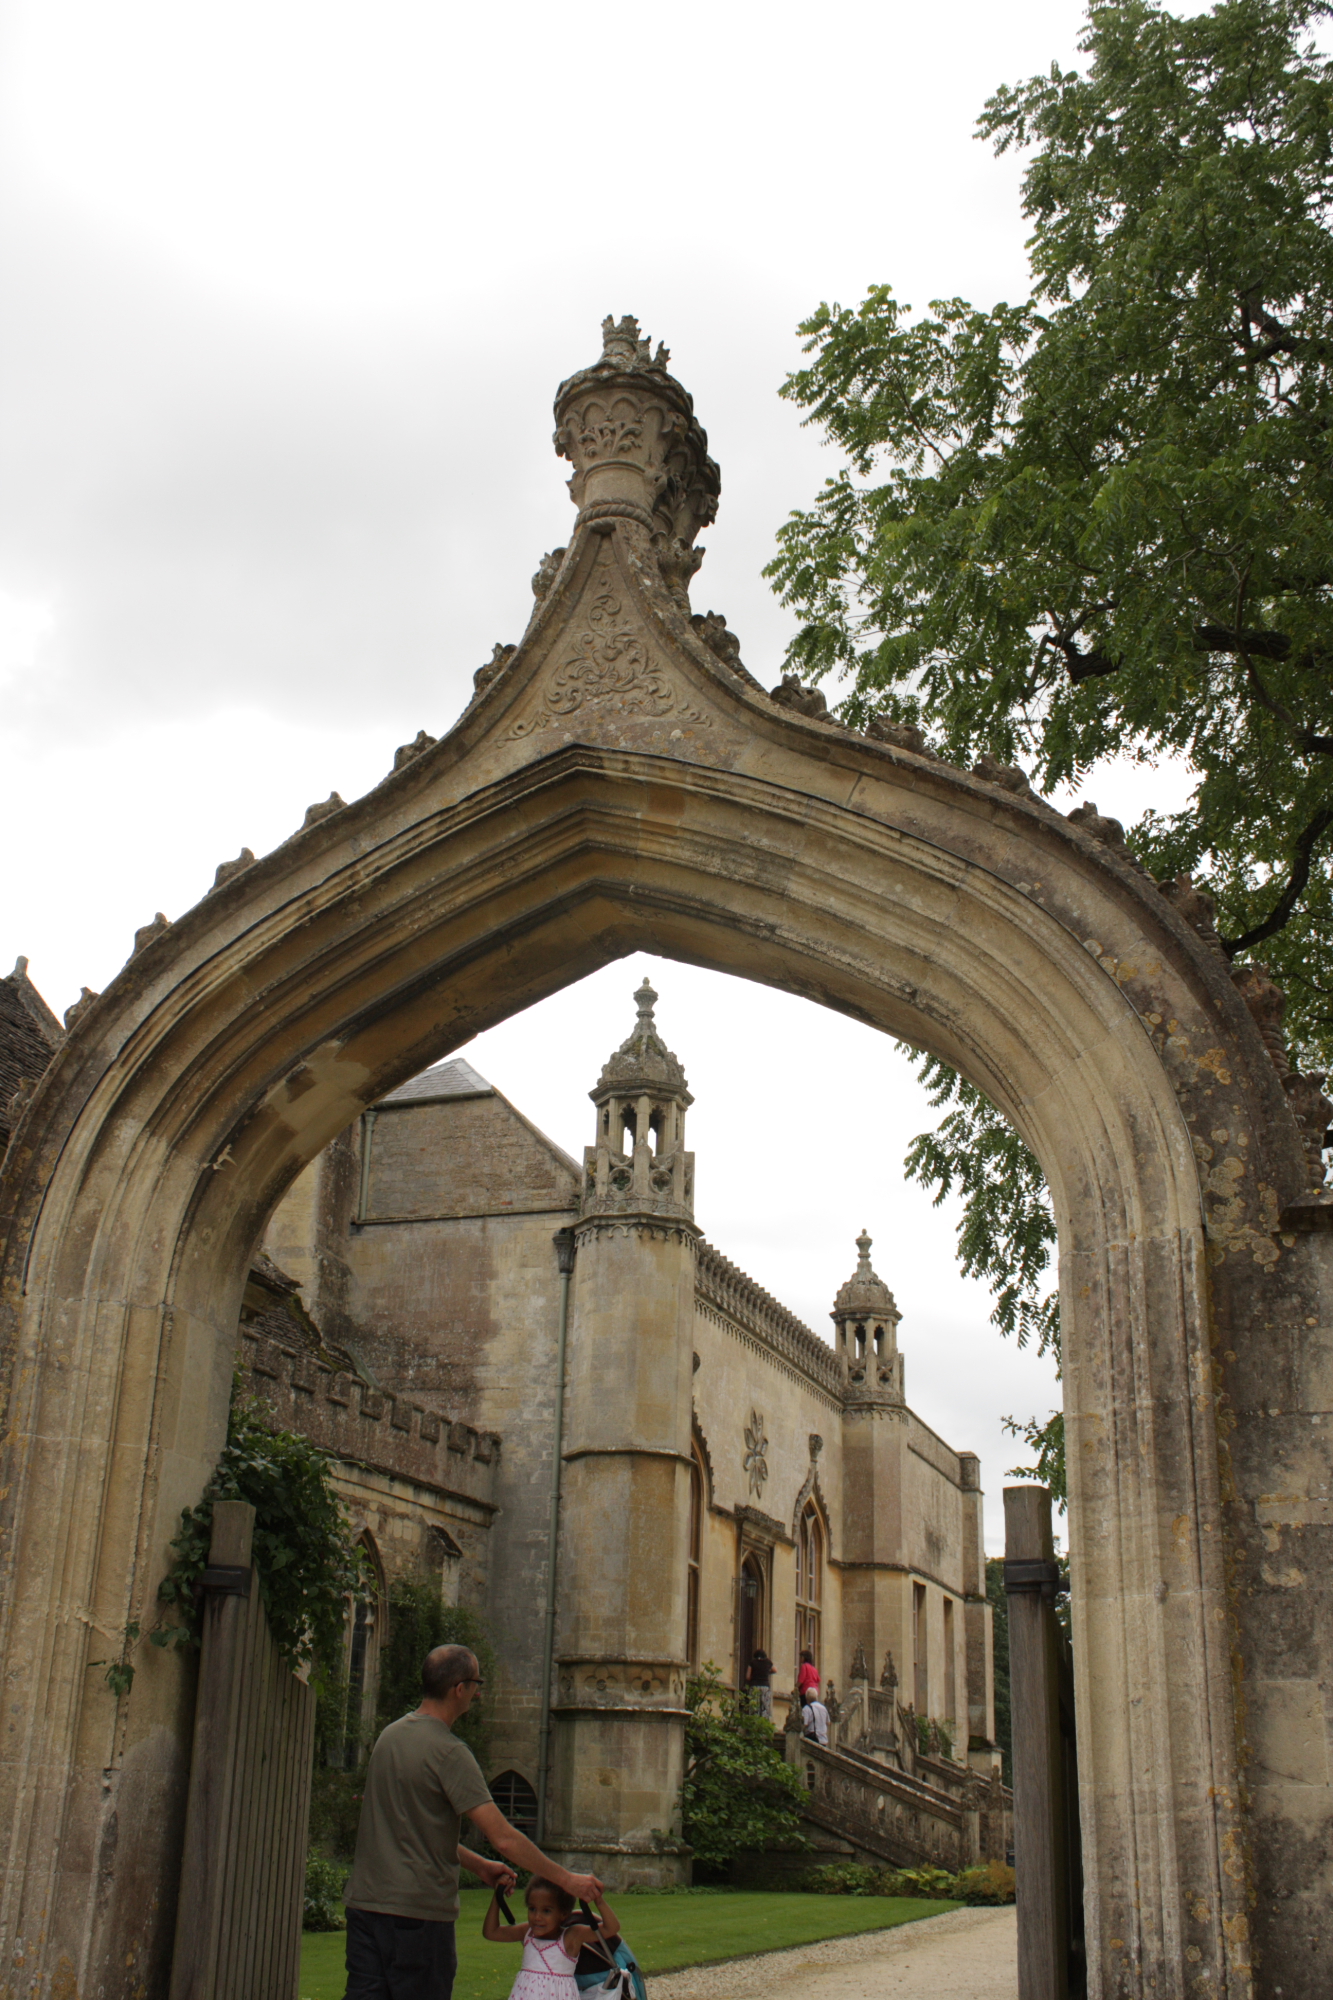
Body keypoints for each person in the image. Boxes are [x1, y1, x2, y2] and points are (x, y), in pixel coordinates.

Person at [343, 1643, 603, 2000]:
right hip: (417, 1916)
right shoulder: (449, 1752)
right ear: (459, 1688)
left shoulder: (389, 1737)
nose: (478, 1693)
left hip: (365, 1908)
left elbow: (412, 1830)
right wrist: (568, 1880)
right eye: (477, 1683)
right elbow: (504, 1838)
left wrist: (479, 1865)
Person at [482, 1876, 622, 1999]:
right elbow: (491, 1932)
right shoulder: (527, 1932)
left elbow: (611, 1928)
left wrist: (598, 1900)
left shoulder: (571, 1936)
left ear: (563, 1913)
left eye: (546, 1911)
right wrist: (497, 1896)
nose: (537, 1917)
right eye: (532, 1909)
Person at [744, 1647, 775, 1719]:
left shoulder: (752, 1662)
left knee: (754, 1707)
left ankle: (754, 1721)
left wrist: (754, 1676)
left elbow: (748, 1677)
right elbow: (775, 1670)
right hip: (765, 1686)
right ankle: (764, 1721)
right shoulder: (768, 1662)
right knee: (765, 1706)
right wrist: (767, 1673)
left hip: (754, 1686)